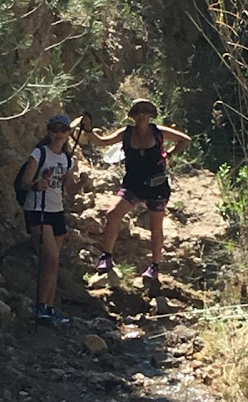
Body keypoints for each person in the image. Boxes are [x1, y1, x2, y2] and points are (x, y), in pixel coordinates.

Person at [81, 98, 191, 281]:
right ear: (133, 115)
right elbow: (101, 142)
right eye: (138, 111)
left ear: (150, 115)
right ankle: (106, 257)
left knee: (156, 227)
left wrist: (168, 155)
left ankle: (155, 267)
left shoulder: (158, 132)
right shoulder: (126, 133)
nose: (142, 115)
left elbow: (184, 140)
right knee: (112, 214)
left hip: (156, 185)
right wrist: (88, 130)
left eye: (145, 111)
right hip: (133, 183)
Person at [21, 114, 86, 324]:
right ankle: (41, 306)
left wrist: (82, 183)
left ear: (68, 133)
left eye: (63, 130)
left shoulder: (66, 159)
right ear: (49, 132)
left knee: (54, 263)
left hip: (56, 211)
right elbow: (25, 182)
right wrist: (36, 185)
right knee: (51, 258)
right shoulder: (39, 154)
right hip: (38, 209)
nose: (59, 134)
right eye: (55, 129)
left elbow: (69, 189)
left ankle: (48, 308)